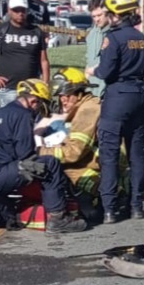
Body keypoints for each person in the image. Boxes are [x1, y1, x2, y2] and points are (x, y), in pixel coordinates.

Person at [0, 79, 88, 234]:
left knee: (11, 216)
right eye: (41, 105)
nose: (39, 111)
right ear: (33, 101)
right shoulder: (23, 115)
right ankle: (58, 219)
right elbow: (25, 155)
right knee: (49, 163)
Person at [89, 0, 144, 223]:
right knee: (136, 154)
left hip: (118, 97)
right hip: (140, 96)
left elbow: (105, 72)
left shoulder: (113, 38)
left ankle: (109, 209)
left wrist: (92, 70)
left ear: (115, 14)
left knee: (109, 155)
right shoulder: (142, 39)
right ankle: (136, 206)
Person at [40, 67, 102, 219]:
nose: (63, 100)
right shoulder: (85, 106)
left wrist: (40, 152)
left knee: (61, 166)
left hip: (101, 162)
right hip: (98, 158)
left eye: (67, 95)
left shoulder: (87, 111)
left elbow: (74, 153)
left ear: (80, 92)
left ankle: (98, 191)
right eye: (60, 96)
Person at [0, 0, 50, 107]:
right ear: (9, 10)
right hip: (8, 88)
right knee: (9, 121)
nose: (20, 13)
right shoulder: (0, 30)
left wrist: (46, 82)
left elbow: (44, 60)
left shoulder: (36, 31)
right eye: (16, 10)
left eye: (23, 10)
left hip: (32, 88)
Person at [83, 0, 107, 96]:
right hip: (91, 90)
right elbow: (89, 61)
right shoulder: (92, 34)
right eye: (94, 16)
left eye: (99, 15)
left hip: (107, 91)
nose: (97, 19)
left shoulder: (114, 34)